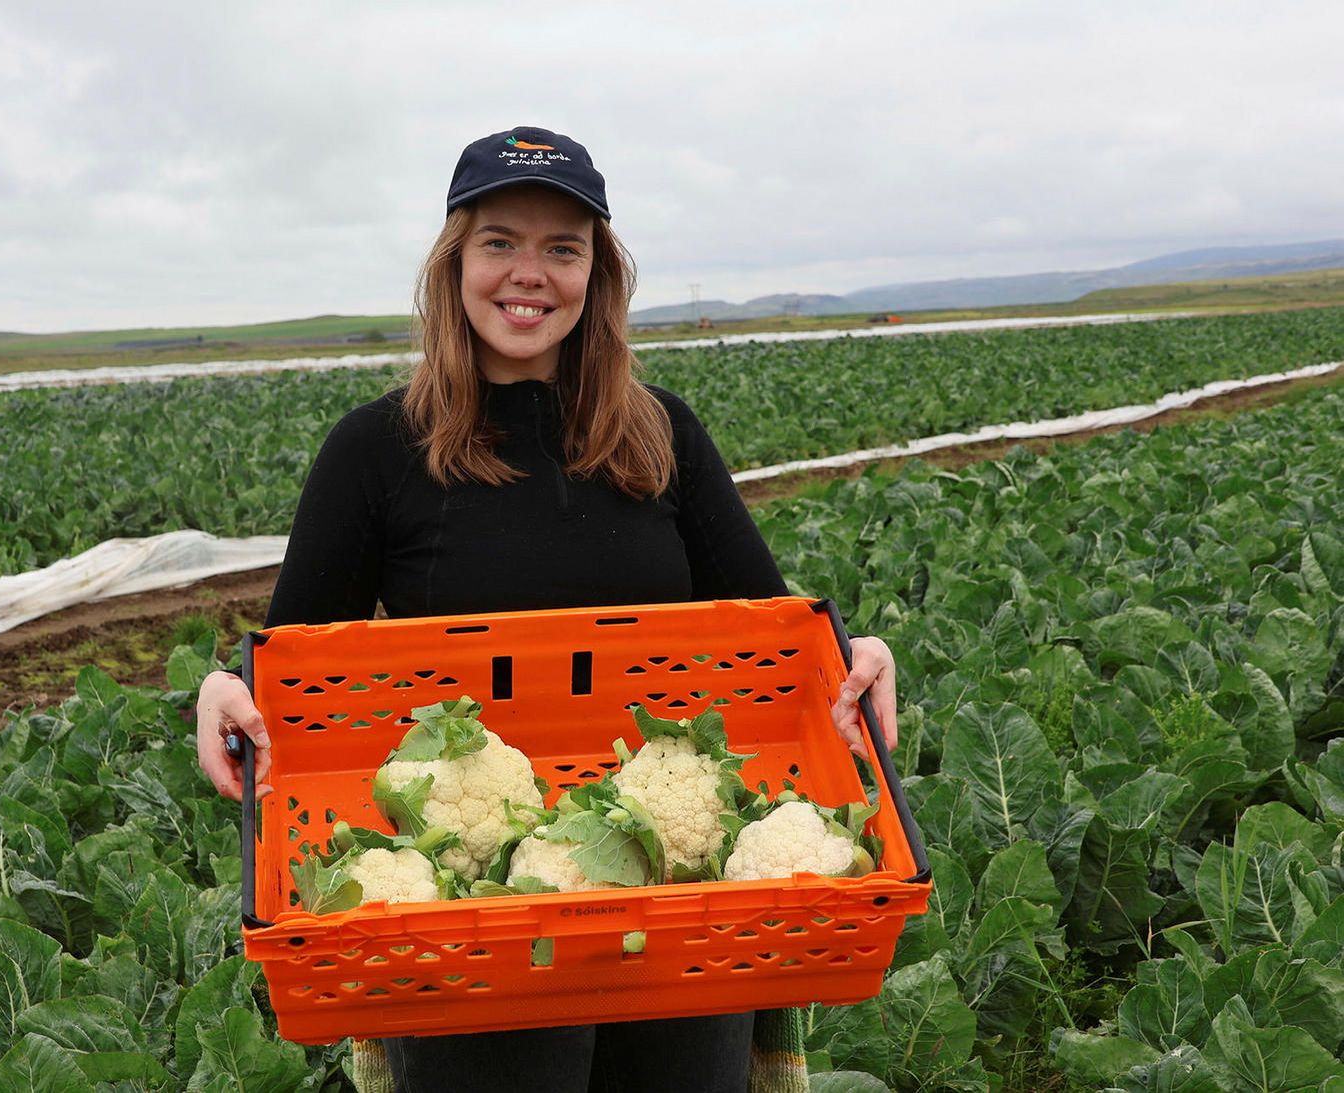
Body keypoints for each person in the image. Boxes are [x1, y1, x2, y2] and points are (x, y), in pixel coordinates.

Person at [195, 125, 899, 1093]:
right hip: (471, 921)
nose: (528, 274)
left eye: (562, 247)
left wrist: (852, 656)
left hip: (677, 920)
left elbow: (771, 637)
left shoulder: (662, 435)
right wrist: (222, 692)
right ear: (453, 264)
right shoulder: (374, 451)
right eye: (499, 241)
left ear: (595, 275)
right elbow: (291, 668)